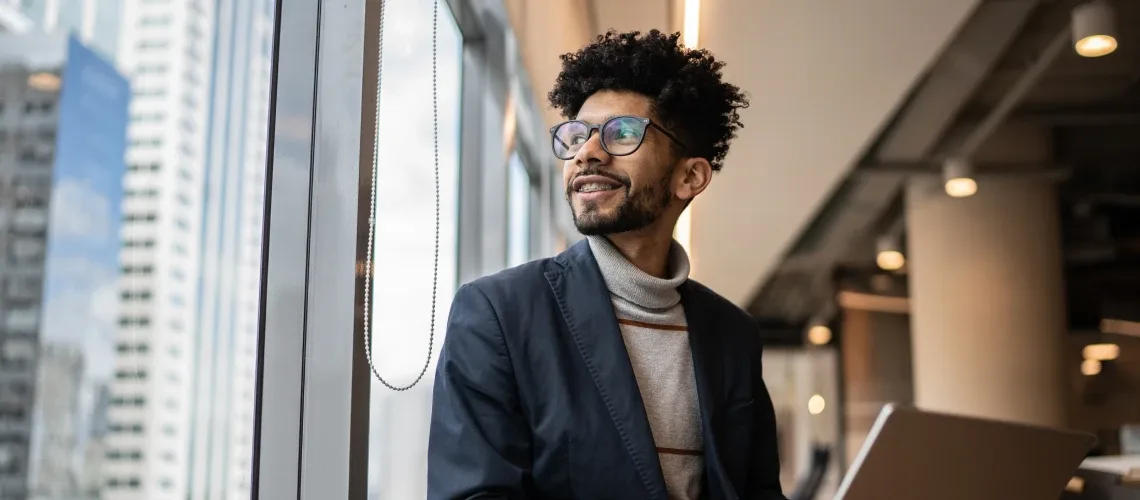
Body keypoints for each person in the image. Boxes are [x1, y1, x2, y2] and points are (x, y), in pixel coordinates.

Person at [427, 29, 785, 500]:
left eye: (622, 134)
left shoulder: (732, 336)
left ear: (689, 176)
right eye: (577, 135)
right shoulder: (499, 314)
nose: (586, 153)